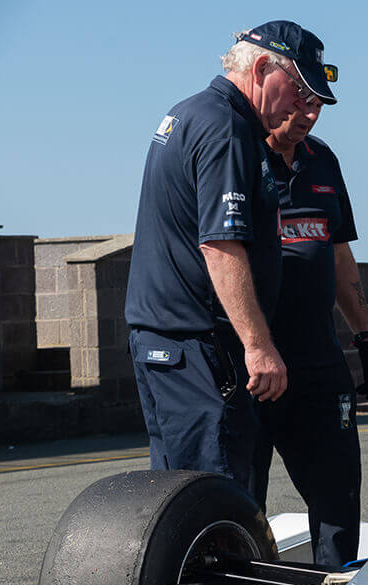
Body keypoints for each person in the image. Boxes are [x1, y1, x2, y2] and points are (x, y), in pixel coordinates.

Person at [124, 20, 337, 487]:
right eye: (299, 91)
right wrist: (259, 348)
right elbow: (220, 245)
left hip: (167, 345)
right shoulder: (228, 129)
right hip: (199, 349)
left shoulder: (191, 112)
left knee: (176, 495)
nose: (305, 108)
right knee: (213, 499)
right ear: (263, 68)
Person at [249, 92, 368, 567]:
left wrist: (366, 336)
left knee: (338, 488)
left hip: (318, 356)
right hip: (253, 362)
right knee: (243, 499)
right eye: (297, 106)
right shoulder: (239, 156)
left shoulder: (322, 159)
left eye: (316, 109)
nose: (306, 117)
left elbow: (338, 254)